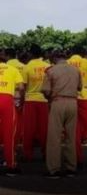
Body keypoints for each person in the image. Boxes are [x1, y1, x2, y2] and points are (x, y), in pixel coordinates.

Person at [42, 50, 82, 178]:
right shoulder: (75, 70)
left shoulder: (51, 71)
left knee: (54, 138)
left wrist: (50, 100)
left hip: (58, 102)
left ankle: (54, 169)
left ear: (54, 58)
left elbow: (46, 91)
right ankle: (71, 168)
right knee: (71, 137)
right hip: (73, 103)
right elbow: (80, 87)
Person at [22, 44, 50, 161]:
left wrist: (23, 100)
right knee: (44, 129)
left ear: (31, 54)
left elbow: (23, 86)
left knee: (28, 129)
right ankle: (46, 153)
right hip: (44, 100)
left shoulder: (27, 67)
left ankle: (28, 154)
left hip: (30, 100)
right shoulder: (48, 67)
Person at [0, 48, 24, 177]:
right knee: (9, 134)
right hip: (7, 101)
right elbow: (21, 87)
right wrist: (21, 99)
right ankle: (10, 165)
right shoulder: (12, 69)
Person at [5, 48, 25, 146]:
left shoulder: (6, 66)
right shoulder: (23, 66)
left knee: (6, 122)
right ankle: (18, 139)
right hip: (20, 96)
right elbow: (23, 85)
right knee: (19, 120)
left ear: (7, 55)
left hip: (8, 95)